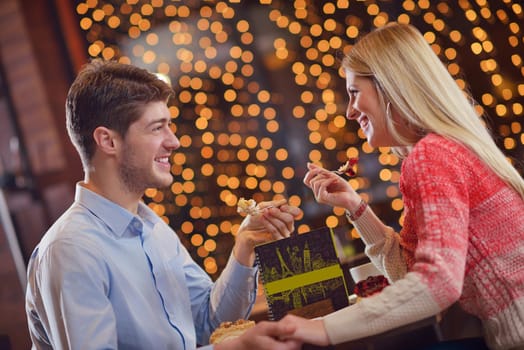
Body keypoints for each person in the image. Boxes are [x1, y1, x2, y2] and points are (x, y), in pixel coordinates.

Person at [25, 58, 303, 350]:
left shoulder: (153, 228)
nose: (174, 142)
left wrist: (244, 246)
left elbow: (210, 323)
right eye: (157, 128)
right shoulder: (71, 249)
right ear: (108, 141)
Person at [283, 23, 524, 350]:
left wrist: (322, 329)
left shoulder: (431, 156)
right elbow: (410, 272)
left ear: (390, 87)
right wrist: (356, 208)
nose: (350, 111)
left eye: (354, 92)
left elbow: (437, 284)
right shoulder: (444, 148)